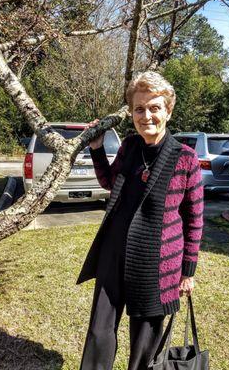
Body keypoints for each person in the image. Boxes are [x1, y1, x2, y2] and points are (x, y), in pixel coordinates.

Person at [77, 71, 204, 370]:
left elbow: (194, 220)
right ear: (132, 111)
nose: (146, 115)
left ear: (168, 111)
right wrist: (96, 150)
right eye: (139, 108)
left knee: (144, 343)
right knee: (99, 330)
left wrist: (188, 271)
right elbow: (111, 181)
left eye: (154, 107)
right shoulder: (130, 147)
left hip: (156, 263)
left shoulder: (185, 159)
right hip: (114, 253)